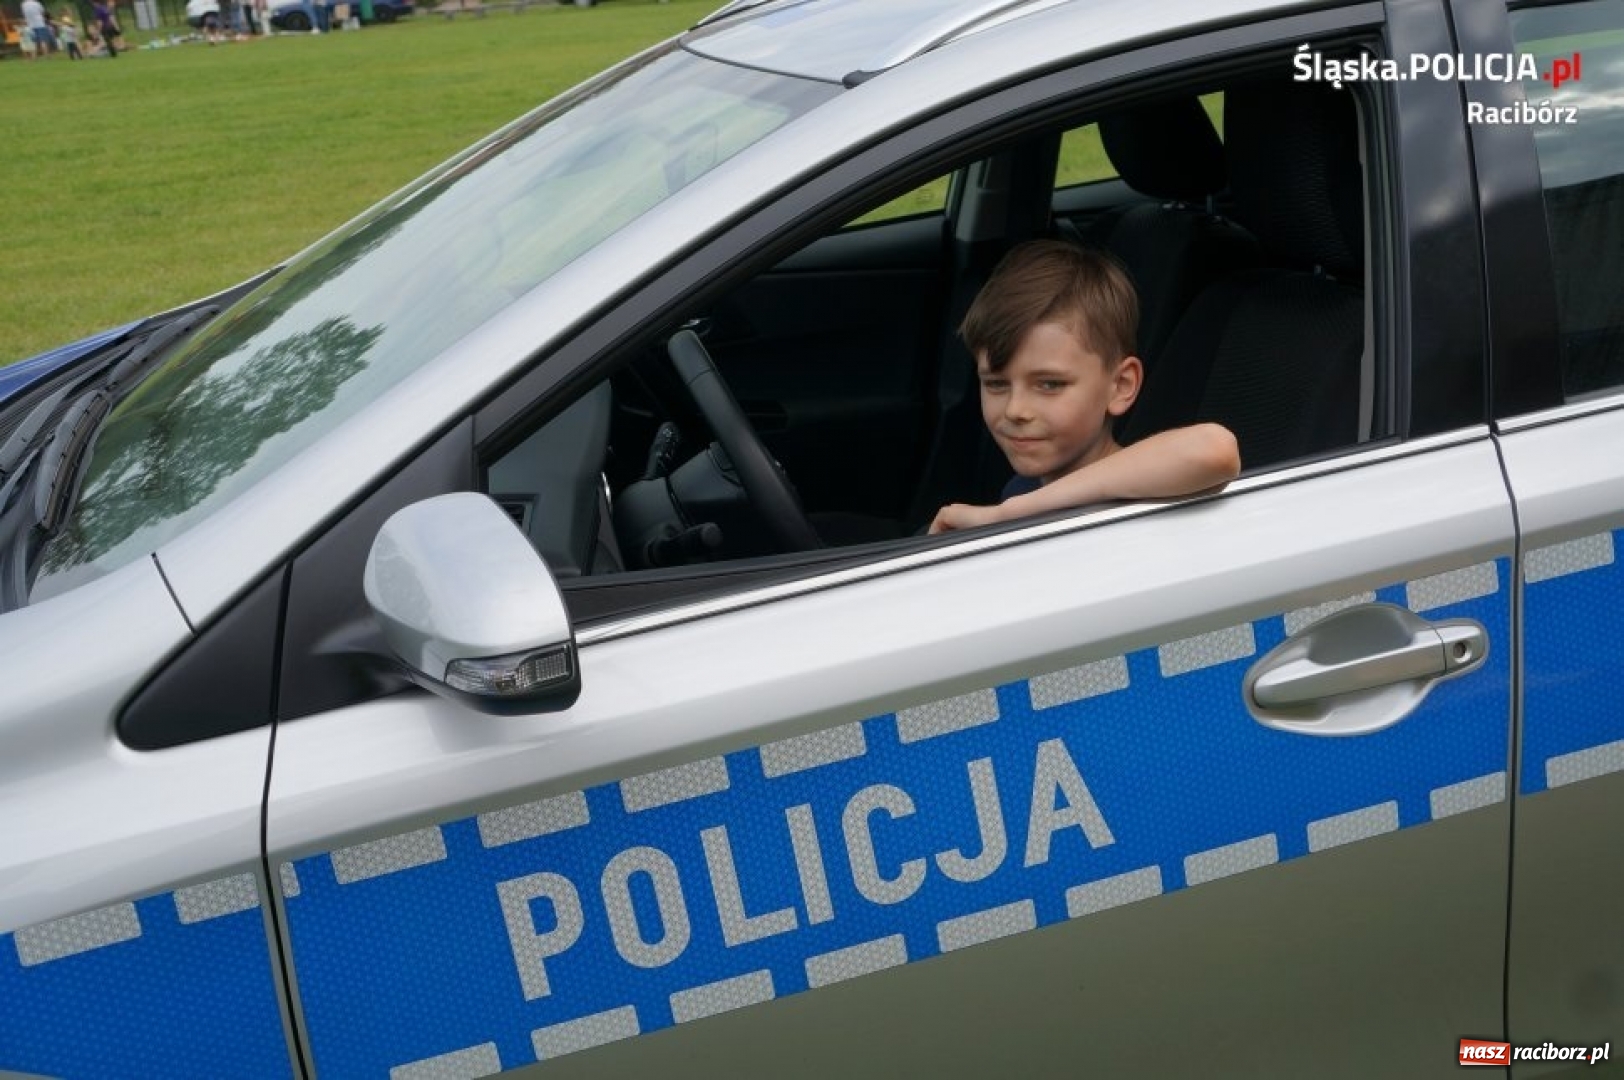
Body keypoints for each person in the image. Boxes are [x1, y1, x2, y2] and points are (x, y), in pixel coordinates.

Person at [930, 240, 1240, 534]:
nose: (1015, 410)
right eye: (996, 384)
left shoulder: (1143, 495)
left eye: (1050, 384)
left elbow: (1215, 451)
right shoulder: (1022, 488)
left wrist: (1008, 514)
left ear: (1120, 386)